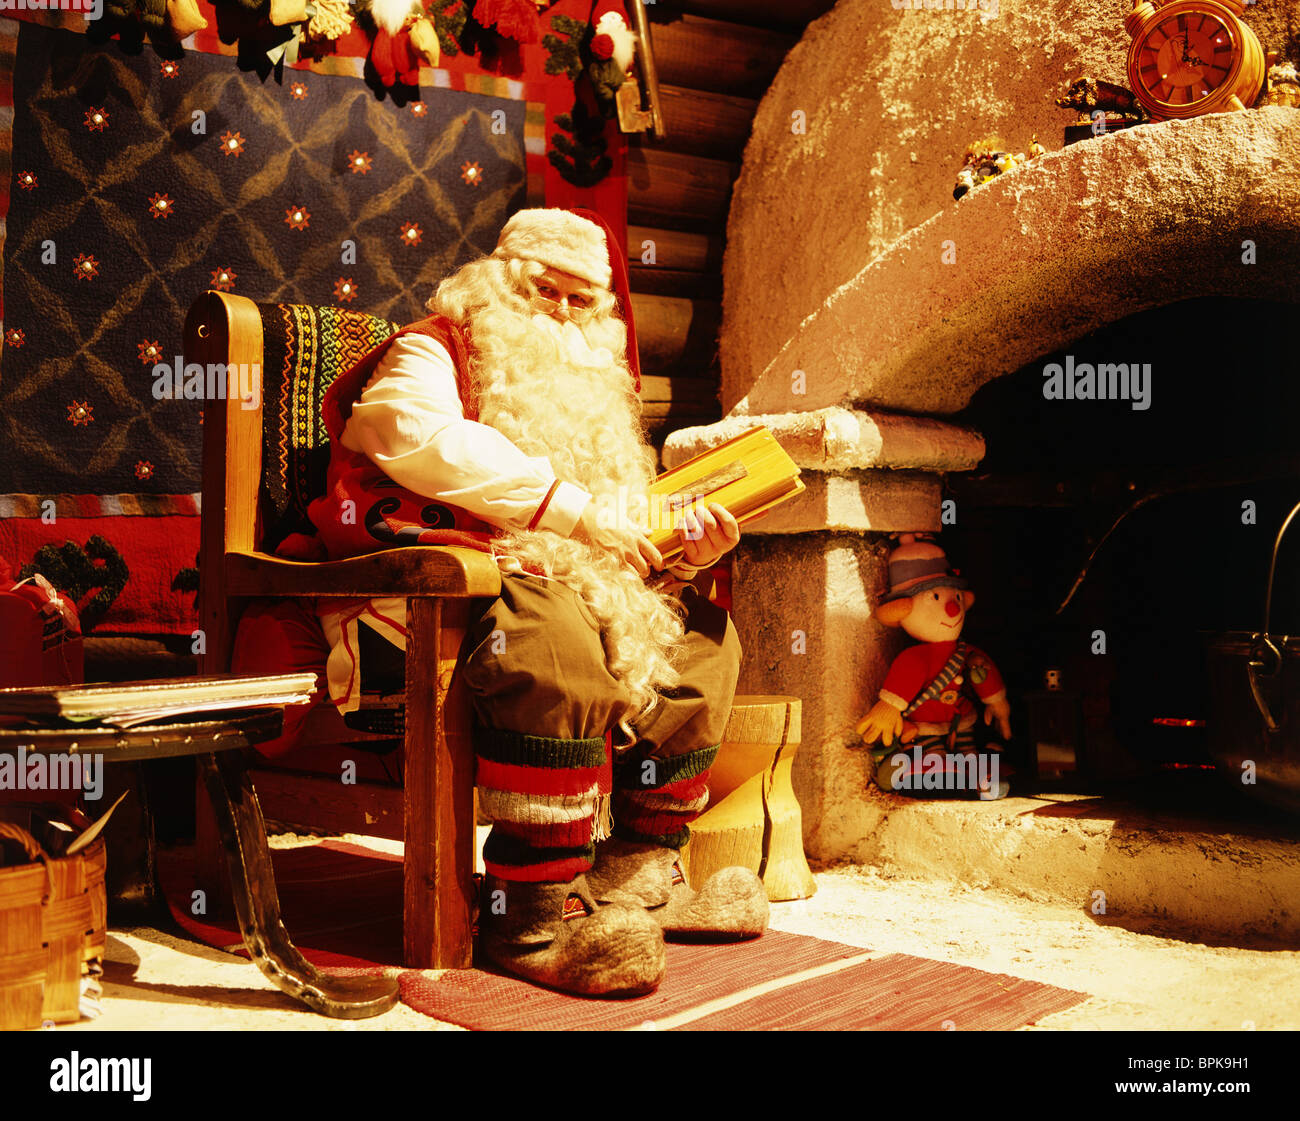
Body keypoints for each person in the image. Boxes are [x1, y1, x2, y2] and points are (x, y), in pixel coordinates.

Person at [284, 207, 768, 996]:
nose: (565, 314)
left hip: (582, 579)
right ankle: (532, 910)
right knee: (552, 638)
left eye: (586, 302)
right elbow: (414, 436)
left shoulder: (603, 400)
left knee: (705, 638)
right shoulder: (431, 349)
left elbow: (624, 531)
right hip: (456, 580)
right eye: (548, 290)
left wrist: (686, 551)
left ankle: (641, 870)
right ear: (501, 279)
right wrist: (577, 512)